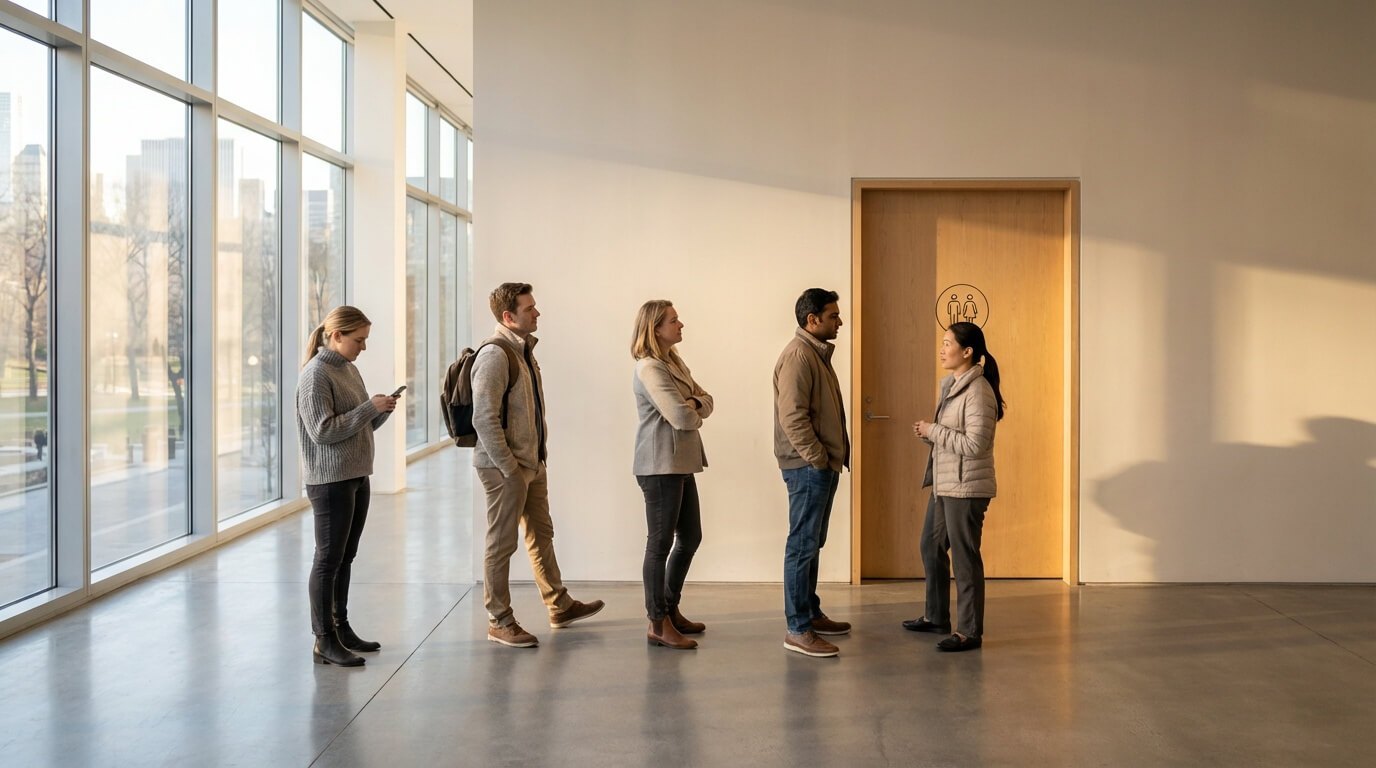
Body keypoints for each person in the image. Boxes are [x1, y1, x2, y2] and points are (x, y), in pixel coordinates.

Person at [473, 282, 604, 648]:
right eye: (530, 308)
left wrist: (532, 462)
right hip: (506, 468)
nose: (537, 312)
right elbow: (483, 418)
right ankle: (499, 621)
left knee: (541, 534)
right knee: (502, 543)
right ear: (508, 316)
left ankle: (558, 604)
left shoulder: (523, 351)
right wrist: (510, 469)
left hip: (531, 463)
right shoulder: (495, 355)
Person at [296, 305, 397, 667]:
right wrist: (369, 409)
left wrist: (378, 412)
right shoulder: (315, 375)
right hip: (330, 481)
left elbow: (357, 427)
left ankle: (341, 628)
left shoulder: (348, 369)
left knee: (345, 557)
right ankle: (324, 640)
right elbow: (323, 431)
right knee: (328, 560)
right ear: (337, 336)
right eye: (359, 340)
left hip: (356, 475)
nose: (363, 347)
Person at [906, 321, 1006, 652]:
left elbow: (976, 444)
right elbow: (954, 439)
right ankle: (936, 617)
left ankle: (969, 631)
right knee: (930, 545)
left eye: (948, 343)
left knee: (964, 558)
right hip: (946, 484)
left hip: (967, 489)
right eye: (943, 342)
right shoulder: (952, 385)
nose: (942, 348)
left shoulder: (978, 390)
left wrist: (933, 431)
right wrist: (930, 434)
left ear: (968, 352)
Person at [773, 288, 852, 658]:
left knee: (812, 542)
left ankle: (810, 612)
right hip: (807, 467)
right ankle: (797, 628)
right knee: (802, 544)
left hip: (819, 465)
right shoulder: (799, 356)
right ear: (812, 320)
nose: (839, 321)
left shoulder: (815, 353)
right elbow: (792, 416)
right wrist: (817, 458)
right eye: (833, 315)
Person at [631, 300, 713, 650]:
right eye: (674, 321)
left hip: (679, 464)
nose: (681, 325)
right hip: (659, 465)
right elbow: (682, 418)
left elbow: (707, 398)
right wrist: (694, 406)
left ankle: (670, 608)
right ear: (655, 328)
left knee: (690, 537)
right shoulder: (650, 368)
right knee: (660, 543)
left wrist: (694, 404)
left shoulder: (672, 361)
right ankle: (657, 622)